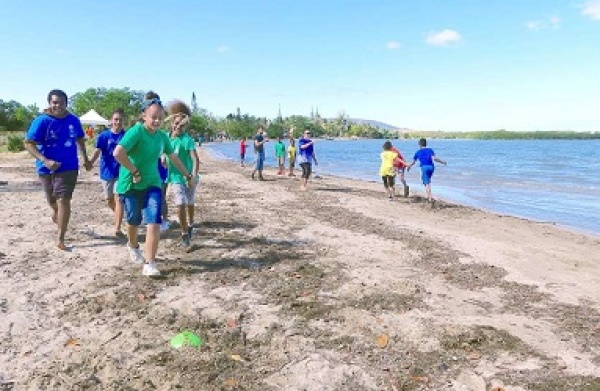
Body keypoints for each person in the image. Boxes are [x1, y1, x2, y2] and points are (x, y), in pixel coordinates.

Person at [113, 91, 196, 276]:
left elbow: (173, 157)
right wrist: (134, 170)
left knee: (154, 221)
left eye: (160, 118)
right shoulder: (136, 132)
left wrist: (188, 175)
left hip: (152, 183)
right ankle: (133, 245)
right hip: (131, 184)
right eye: (153, 118)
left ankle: (150, 263)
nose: (157, 121)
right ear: (144, 116)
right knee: (133, 221)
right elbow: (118, 153)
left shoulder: (162, 137)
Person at [24, 89, 92, 250]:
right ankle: (55, 211)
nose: (58, 105)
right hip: (46, 168)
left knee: (64, 200)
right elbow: (28, 143)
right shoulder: (41, 121)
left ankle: (60, 238)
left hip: (68, 167)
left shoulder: (74, 120)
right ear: (49, 103)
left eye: (61, 102)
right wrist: (45, 160)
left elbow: (80, 139)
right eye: (55, 102)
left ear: (66, 104)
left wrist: (86, 159)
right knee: (52, 200)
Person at [165, 100, 200, 248]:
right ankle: (184, 233)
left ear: (185, 126)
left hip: (190, 177)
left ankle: (191, 224)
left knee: (190, 203)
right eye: (175, 123)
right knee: (180, 203)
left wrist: (192, 176)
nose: (177, 126)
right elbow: (163, 154)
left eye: (180, 124)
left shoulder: (187, 140)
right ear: (172, 123)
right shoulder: (167, 139)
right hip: (175, 177)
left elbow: (195, 159)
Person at [89, 108, 126, 237]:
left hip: (121, 172)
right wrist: (90, 163)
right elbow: (97, 151)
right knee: (110, 200)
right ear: (111, 121)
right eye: (116, 119)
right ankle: (120, 215)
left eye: (120, 120)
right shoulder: (104, 136)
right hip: (106, 172)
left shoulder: (126, 136)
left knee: (119, 198)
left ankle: (117, 227)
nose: (118, 122)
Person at [405, 138, 447, 203]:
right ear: (426, 144)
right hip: (431, 167)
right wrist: (443, 162)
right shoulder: (430, 150)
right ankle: (428, 196)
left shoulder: (417, 152)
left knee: (427, 183)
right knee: (427, 181)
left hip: (424, 168)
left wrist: (409, 166)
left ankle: (430, 198)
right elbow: (434, 159)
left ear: (419, 144)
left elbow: (413, 162)